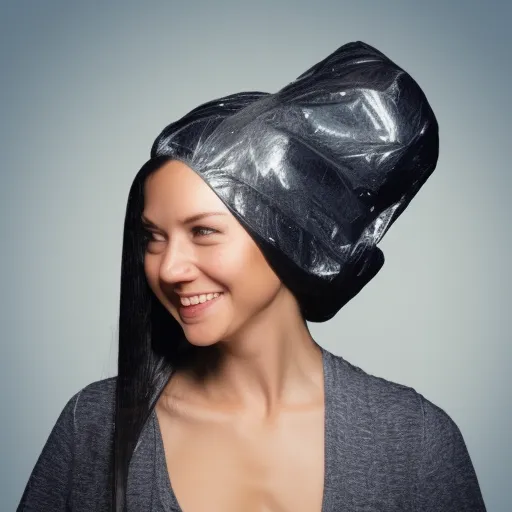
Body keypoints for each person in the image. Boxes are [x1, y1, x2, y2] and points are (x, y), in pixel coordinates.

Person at [17, 41, 487, 511]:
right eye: (153, 237)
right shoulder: (95, 427)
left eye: (203, 231)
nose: (169, 268)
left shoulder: (414, 442)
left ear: (290, 233)